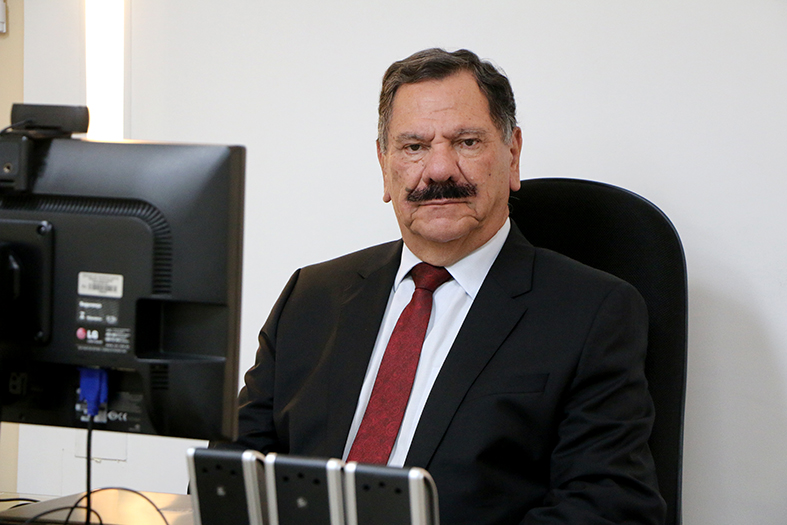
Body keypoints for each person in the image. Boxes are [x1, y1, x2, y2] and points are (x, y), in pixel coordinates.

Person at [234, 48, 666, 524]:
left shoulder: (593, 313)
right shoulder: (310, 297)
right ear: (385, 165)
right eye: (414, 147)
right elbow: (231, 478)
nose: (438, 171)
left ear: (513, 154)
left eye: (465, 142)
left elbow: (609, 509)